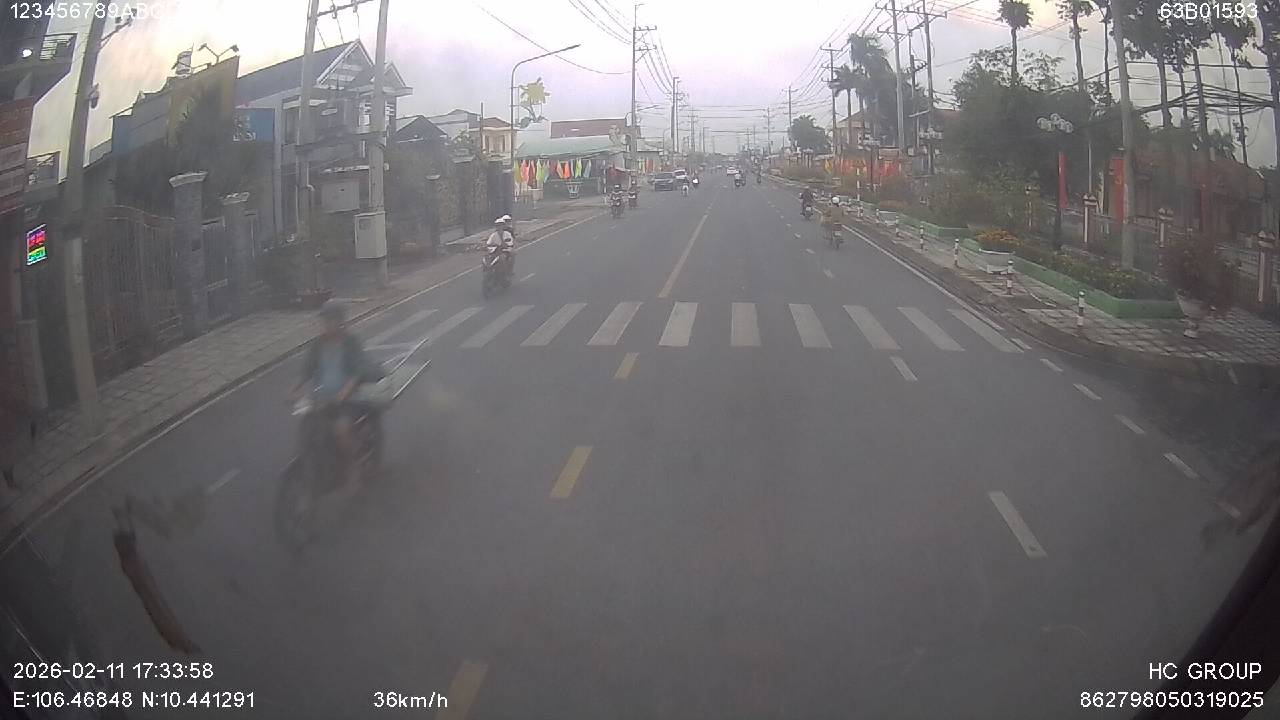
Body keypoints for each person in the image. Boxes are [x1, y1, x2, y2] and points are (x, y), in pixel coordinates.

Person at [293, 302, 382, 488]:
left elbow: (358, 373)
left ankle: (353, 465)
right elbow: (306, 371)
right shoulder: (317, 345)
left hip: (350, 399)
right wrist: (293, 390)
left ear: (340, 322)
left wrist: (343, 394)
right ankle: (316, 462)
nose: (327, 325)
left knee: (341, 429)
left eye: (331, 320)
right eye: (324, 321)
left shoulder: (350, 343)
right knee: (308, 427)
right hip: (323, 399)